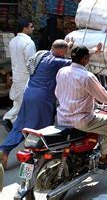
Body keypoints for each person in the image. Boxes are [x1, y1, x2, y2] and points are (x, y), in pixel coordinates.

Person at [0, 40, 75, 168]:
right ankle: (39, 155)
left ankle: (4, 150)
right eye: (65, 51)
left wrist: (68, 45)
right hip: (41, 99)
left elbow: (60, 49)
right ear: (61, 51)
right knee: (43, 128)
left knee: (21, 124)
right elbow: (76, 62)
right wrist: (94, 50)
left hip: (29, 94)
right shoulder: (54, 62)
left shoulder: (42, 55)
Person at [55, 45, 107, 167]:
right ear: (85, 59)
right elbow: (103, 96)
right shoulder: (87, 76)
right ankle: (104, 157)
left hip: (62, 118)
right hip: (81, 120)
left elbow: (57, 93)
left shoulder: (62, 71)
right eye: (88, 57)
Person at [3, 20, 36, 131]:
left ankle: (13, 121)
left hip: (17, 74)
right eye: (31, 26)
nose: (33, 29)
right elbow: (31, 62)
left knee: (18, 101)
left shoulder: (13, 41)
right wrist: (34, 75)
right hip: (25, 76)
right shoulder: (28, 42)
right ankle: (9, 118)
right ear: (25, 28)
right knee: (23, 102)